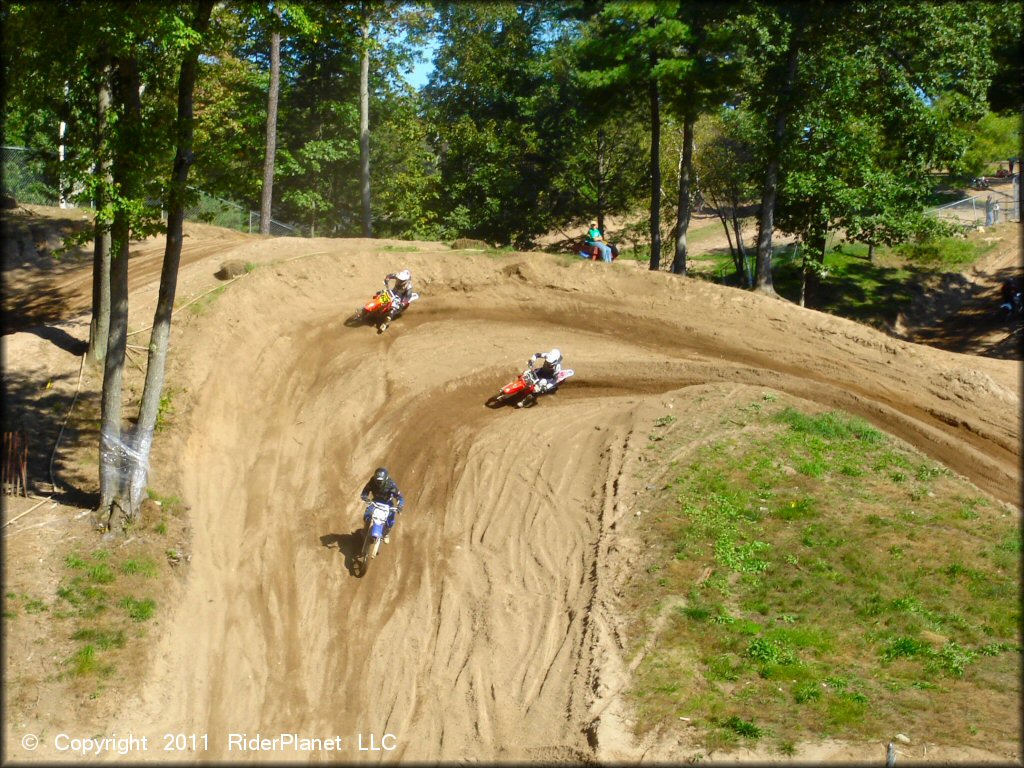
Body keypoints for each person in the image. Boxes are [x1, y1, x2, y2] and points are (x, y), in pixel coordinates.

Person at [360, 466, 405, 543]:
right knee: (367, 516)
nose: (378, 482)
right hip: (375, 502)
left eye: (380, 481)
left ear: (385, 479)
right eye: (377, 480)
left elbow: (400, 497)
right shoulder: (372, 482)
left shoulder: (391, 485)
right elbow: (365, 491)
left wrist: (400, 506)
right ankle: (365, 529)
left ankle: (386, 534)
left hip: (388, 504)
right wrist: (365, 497)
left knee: (390, 521)